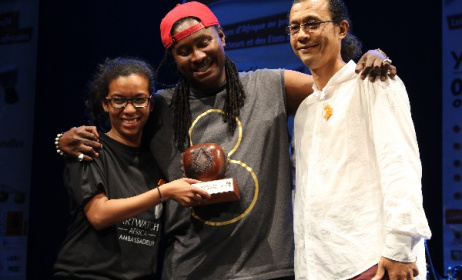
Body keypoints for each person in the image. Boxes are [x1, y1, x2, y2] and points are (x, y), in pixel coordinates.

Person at [56, 2, 395, 279]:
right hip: (189, 269)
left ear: (220, 36)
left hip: (268, 268)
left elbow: (338, 92)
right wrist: (64, 139)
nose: (197, 56)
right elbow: (118, 130)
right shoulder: (160, 106)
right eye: (184, 50)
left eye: (204, 42)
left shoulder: (269, 86)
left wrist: (369, 61)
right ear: (173, 59)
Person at [288, 0, 432, 279]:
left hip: (375, 262)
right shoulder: (305, 110)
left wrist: (400, 247)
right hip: (321, 268)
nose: (302, 34)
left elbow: (400, 164)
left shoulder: (374, 82)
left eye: (312, 23)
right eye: (295, 27)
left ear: (342, 29)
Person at [53, 57, 210, 280]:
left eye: (139, 100)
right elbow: (99, 214)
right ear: (105, 104)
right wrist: (164, 192)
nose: (129, 110)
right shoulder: (90, 147)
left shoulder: (157, 159)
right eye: (118, 100)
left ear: (151, 104)